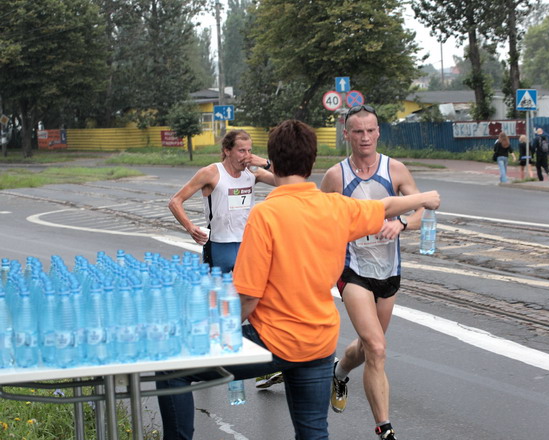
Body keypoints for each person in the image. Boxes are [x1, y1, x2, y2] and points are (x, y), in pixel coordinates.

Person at [156, 119, 440, 440]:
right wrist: (424, 197)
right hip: (319, 342)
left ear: (272, 163)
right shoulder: (337, 207)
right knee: (313, 433)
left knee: (172, 369)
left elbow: (248, 299)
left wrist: (217, 330)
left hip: (271, 341)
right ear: (312, 162)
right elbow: (385, 206)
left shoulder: (266, 214)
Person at [320, 105, 441, 440]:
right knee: (377, 348)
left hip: (388, 271)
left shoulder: (395, 169)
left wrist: (401, 222)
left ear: (378, 132)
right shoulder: (335, 176)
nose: (365, 137)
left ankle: (339, 372)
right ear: (346, 134)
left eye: (371, 130)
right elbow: (317, 219)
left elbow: (422, 208)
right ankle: (385, 430)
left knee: (367, 347)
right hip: (352, 269)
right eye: (358, 131)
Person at [168, 129, 283, 389]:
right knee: (216, 303)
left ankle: (263, 364)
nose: (246, 155)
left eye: (249, 150)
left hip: (247, 246)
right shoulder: (212, 173)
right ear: (227, 150)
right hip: (219, 247)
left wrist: (263, 162)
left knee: (258, 302)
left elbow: (284, 181)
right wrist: (190, 227)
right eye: (241, 151)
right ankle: (202, 358)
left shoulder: (251, 173)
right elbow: (175, 201)